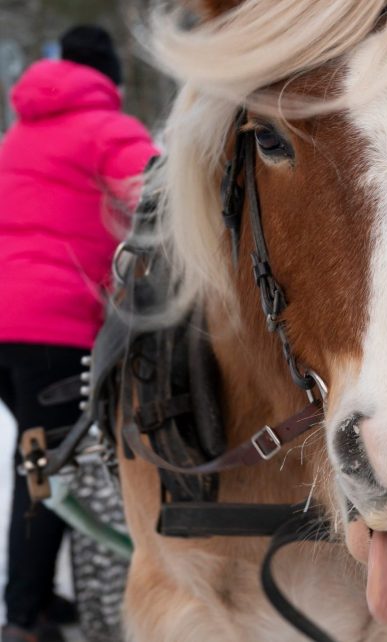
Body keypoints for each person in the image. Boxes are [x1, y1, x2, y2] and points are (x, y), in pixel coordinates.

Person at [0, 25, 157, 642]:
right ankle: (24, 617)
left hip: (8, 327)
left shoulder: (18, 136)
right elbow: (162, 202)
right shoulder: (108, 130)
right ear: (111, 78)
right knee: (48, 464)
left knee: (43, 458)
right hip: (58, 327)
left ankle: (33, 598)